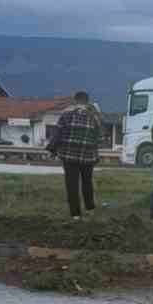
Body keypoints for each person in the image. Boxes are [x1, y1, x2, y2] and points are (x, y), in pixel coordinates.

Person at [48, 91, 103, 219]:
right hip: (88, 156)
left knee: (71, 184)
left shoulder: (66, 114)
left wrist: (52, 150)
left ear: (75, 101)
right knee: (87, 182)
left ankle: (75, 214)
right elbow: (100, 137)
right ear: (87, 101)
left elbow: (57, 134)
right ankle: (89, 208)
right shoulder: (94, 116)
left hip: (69, 156)